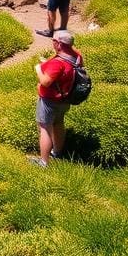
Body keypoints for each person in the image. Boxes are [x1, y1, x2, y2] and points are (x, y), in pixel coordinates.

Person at [31, 29, 83, 167]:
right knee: (58, 123)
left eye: (54, 41)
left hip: (50, 100)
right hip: (65, 98)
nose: (52, 43)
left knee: (45, 128)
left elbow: (45, 82)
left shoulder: (58, 63)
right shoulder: (77, 56)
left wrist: (38, 68)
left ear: (58, 43)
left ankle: (43, 162)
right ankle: (57, 153)